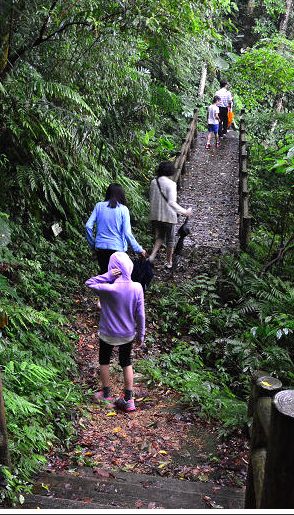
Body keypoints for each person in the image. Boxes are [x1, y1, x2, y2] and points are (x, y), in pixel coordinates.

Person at [86, 251, 145, 412]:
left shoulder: (108, 288)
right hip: (127, 334)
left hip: (107, 333)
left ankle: (106, 395)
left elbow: (89, 283)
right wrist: (141, 334)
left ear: (113, 268)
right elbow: (140, 314)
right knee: (126, 362)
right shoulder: (137, 287)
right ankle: (128, 398)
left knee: (104, 361)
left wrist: (107, 275)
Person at [85, 183, 146, 274]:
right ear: (121, 195)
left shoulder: (99, 206)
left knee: (104, 275)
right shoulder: (123, 209)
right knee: (116, 279)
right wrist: (139, 249)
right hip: (117, 249)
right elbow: (127, 233)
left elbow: (88, 226)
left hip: (101, 248)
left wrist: (92, 245)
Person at [148, 161, 192, 269]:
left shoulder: (154, 182)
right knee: (170, 240)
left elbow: (151, 197)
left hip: (155, 215)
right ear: (170, 171)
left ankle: (151, 257)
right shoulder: (171, 184)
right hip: (168, 216)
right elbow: (172, 203)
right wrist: (185, 212)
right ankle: (169, 262)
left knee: (160, 236)